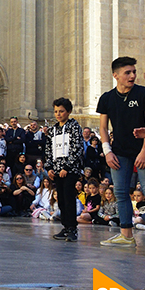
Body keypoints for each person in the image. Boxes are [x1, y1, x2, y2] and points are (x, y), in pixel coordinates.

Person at [98, 57, 145, 250]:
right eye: (127, 72)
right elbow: (103, 128)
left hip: (144, 150)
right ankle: (126, 235)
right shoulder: (107, 98)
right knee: (120, 193)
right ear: (116, 75)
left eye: (134, 72)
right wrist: (107, 151)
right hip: (119, 152)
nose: (132, 75)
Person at [44, 97, 84, 242]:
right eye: (56, 111)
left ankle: (72, 228)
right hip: (56, 170)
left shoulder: (74, 126)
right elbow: (49, 150)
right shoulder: (53, 130)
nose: (58, 114)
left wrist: (67, 166)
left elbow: (77, 147)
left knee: (68, 198)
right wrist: (49, 167)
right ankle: (65, 226)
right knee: (60, 199)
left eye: (61, 111)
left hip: (70, 170)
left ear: (68, 112)